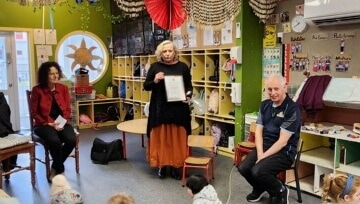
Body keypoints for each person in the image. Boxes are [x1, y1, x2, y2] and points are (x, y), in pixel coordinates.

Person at [238, 74, 301, 204]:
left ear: (285, 87)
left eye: (276, 89)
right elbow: (259, 131)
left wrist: (262, 157)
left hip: (284, 152)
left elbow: (283, 141)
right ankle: (260, 187)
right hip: (265, 147)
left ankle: (279, 190)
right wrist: (260, 153)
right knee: (243, 168)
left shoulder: (292, 109)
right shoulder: (264, 105)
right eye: (269, 89)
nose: (272, 93)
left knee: (258, 170)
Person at [143, 40, 193, 180]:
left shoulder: (183, 67)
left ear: (175, 52)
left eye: (170, 51)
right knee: (162, 139)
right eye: (164, 51)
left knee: (177, 139)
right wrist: (155, 80)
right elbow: (146, 86)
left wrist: (188, 96)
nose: (167, 54)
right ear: (160, 53)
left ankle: (177, 166)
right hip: (160, 109)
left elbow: (189, 87)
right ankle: (163, 166)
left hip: (178, 110)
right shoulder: (154, 67)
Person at [30, 61, 76, 182]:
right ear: (45, 76)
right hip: (43, 124)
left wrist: (61, 122)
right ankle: (60, 170)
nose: (55, 76)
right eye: (51, 74)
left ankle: (55, 167)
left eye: (57, 73)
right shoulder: (37, 90)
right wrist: (49, 123)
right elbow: (34, 113)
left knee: (71, 140)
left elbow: (67, 109)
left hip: (61, 122)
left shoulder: (63, 88)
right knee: (54, 141)